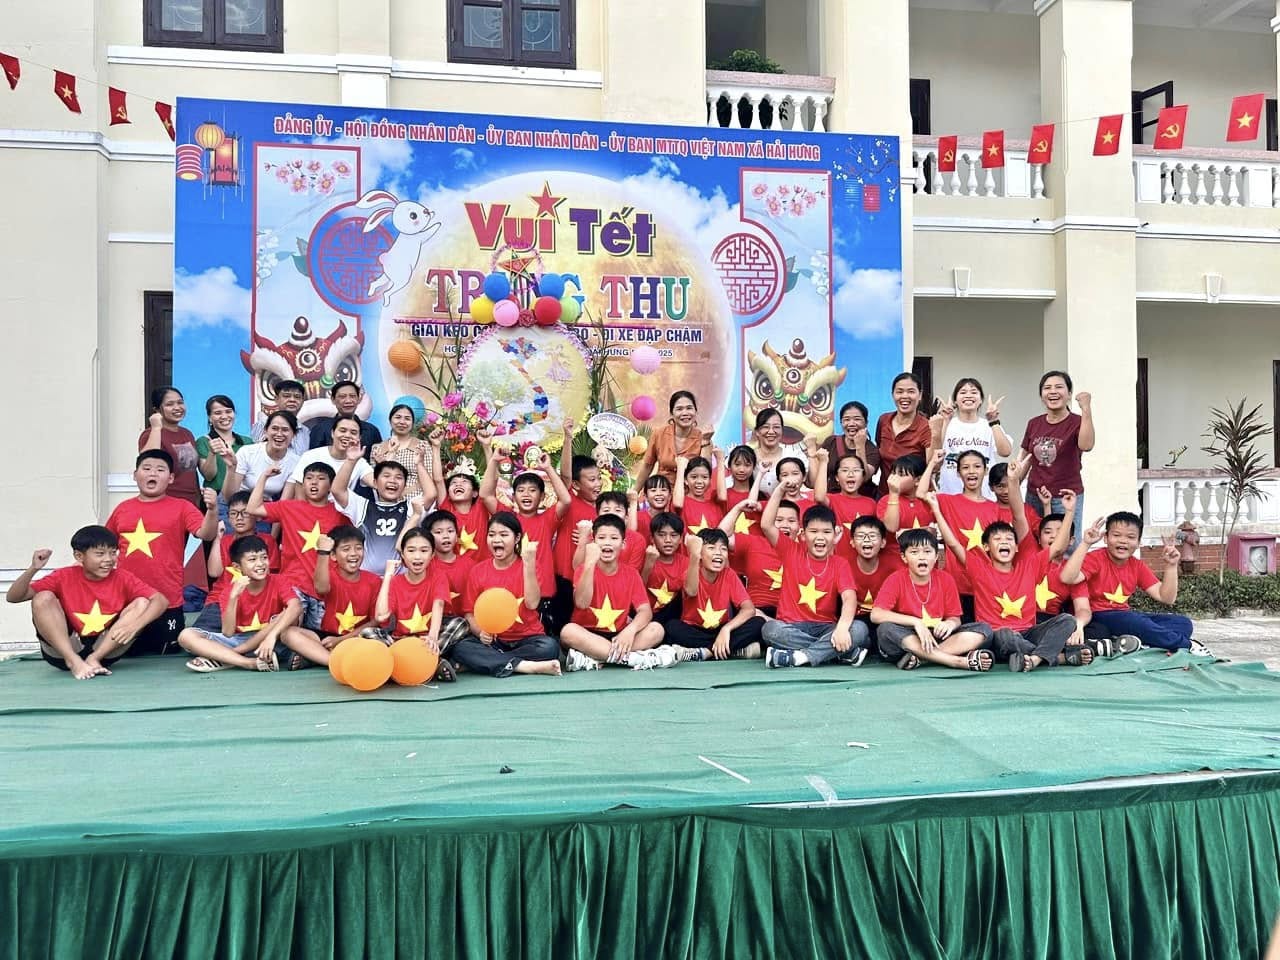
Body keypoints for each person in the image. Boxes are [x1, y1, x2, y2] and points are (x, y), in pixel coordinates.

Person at [924, 459, 1088, 673]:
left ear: (1017, 547)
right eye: (998, 539)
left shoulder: (1029, 566)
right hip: (999, 637)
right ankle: (1057, 657)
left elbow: (1057, 548)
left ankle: (1034, 659)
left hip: (1028, 633)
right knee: (1005, 635)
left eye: (1009, 539)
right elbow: (954, 544)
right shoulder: (979, 568)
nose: (1004, 542)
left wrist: (1070, 512)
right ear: (986, 547)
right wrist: (937, 511)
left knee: (1067, 620)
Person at [6, 528, 167, 679]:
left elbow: (160, 600)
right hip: (64, 651)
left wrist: (134, 626)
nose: (108, 559)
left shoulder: (122, 577)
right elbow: (14, 597)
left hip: (105, 650)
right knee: (42, 597)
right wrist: (33, 569)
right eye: (100, 554)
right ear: (79, 556)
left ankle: (93, 659)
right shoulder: (63, 576)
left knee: (142, 603)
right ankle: (73, 661)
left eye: (113, 553)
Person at [106, 450, 219, 654]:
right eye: (146, 468)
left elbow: (207, 534)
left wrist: (212, 510)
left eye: (160, 470)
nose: (153, 473)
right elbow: (104, 547)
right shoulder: (122, 509)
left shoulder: (182, 507)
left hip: (168, 602)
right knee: (122, 649)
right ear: (135, 475)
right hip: (128, 603)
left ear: (171, 478)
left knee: (165, 651)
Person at [1059, 512, 1208, 655]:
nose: (1123, 541)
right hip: (1098, 616)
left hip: (1124, 615)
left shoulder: (1136, 565)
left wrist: (1171, 565)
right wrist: (1086, 543)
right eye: (1116, 535)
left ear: (1138, 542)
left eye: (1130, 537)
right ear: (1105, 538)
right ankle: (1187, 645)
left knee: (1183, 623)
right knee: (1137, 622)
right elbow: (1068, 578)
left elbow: (1166, 597)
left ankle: (1132, 642)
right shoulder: (1095, 558)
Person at [759, 490, 866, 669]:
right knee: (770, 630)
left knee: (860, 629)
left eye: (826, 532)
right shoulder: (791, 551)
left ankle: (799, 657)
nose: (820, 537)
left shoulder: (840, 563)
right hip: (791, 626)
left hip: (826, 628)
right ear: (803, 534)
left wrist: (841, 628)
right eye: (814, 531)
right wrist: (779, 490)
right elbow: (766, 525)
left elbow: (849, 598)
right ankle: (838, 653)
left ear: (835, 535)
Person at [561, 515, 675, 671]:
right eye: (601, 538)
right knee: (568, 632)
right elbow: (581, 603)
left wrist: (630, 631)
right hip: (588, 634)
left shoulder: (631, 574)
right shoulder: (584, 568)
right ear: (593, 542)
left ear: (623, 544)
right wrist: (589, 564)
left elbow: (645, 611)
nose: (607, 542)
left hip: (620, 635)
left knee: (656, 629)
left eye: (614, 538)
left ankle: (596, 658)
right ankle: (633, 659)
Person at [454, 512, 562, 677]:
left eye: (504, 535)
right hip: (494, 641)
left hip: (528, 639)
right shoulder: (478, 571)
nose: (496, 540)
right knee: (462, 648)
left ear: (517, 538)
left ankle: (493, 662)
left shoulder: (530, 566)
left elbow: (532, 604)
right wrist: (480, 633)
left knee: (549, 647)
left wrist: (529, 565)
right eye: (492, 535)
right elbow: (469, 613)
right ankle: (525, 666)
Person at [871, 529, 994, 672]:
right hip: (908, 637)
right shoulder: (896, 579)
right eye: (914, 552)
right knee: (885, 629)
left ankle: (921, 658)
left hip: (937, 637)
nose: (922, 557)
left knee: (984, 630)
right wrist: (916, 622)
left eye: (927, 552)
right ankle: (955, 661)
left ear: (936, 556)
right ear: (904, 557)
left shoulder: (946, 579)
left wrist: (949, 624)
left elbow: (955, 618)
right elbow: (876, 614)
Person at [177, 535, 301, 673]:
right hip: (239, 639)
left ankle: (225, 657)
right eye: (252, 559)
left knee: (287, 616)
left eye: (264, 557)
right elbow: (228, 632)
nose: (260, 564)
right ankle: (248, 663)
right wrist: (233, 597)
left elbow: (296, 607)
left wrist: (271, 636)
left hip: (272, 638)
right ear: (237, 566)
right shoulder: (229, 592)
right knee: (186, 636)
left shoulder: (279, 580)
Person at [479, 440, 571, 621]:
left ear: (542, 497)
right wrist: (494, 461)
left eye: (532, 490)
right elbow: (485, 495)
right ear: (513, 497)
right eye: (521, 490)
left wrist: (548, 469)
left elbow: (566, 500)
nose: (526, 494)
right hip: (510, 593)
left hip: (543, 593)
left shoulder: (547, 520)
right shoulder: (507, 518)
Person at [248, 461, 346, 629]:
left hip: (325, 587)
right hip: (293, 583)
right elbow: (253, 508)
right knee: (290, 624)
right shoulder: (289, 507)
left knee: (318, 635)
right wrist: (264, 477)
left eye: (321, 478)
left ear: (331, 486)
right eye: (309, 478)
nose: (314, 482)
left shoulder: (341, 513)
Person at [280, 526, 382, 669]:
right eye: (346, 549)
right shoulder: (328, 575)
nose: (353, 553)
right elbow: (321, 588)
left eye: (358, 548)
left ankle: (315, 657)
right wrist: (323, 552)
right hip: (327, 638)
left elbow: (375, 621)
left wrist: (341, 640)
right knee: (287, 633)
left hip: (357, 637)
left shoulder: (374, 581)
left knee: (376, 640)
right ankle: (335, 662)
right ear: (333, 555)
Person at [662, 529, 765, 660]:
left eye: (723, 549)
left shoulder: (729, 574)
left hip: (721, 630)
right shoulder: (691, 572)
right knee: (672, 628)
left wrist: (726, 629)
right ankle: (730, 651)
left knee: (758, 622)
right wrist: (694, 555)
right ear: (700, 553)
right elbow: (691, 591)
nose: (718, 553)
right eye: (711, 548)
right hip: (694, 630)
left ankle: (706, 653)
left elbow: (749, 609)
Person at [922, 449, 999, 621]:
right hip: (954, 582)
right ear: (958, 473)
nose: (971, 471)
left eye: (977, 466)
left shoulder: (994, 508)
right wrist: (933, 463)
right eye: (965, 467)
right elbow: (921, 493)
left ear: (986, 470)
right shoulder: (948, 501)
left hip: (984, 585)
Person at [1020, 370, 1094, 544]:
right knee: (1033, 543)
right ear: (1041, 395)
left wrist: (1086, 408)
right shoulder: (1034, 423)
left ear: (1069, 394)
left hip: (1066, 497)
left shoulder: (1078, 422)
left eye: (1059, 387)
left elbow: (1086, 445)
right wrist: (1013, 486)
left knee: (1066, 545)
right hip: (1035, 495)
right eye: (1047, 388)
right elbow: (1026, 459)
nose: (1052, 391)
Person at [373, 527, 455, 681]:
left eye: (424, 551)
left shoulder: (438, 577)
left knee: (460, 624)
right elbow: (381, 616)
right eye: (411, 551)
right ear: (403, 555)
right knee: (368, 633)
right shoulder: (396, 581)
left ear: (432, 555)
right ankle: (430, 663)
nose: (417, 556)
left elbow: (439, 605)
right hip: (400, 641)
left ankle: (408, 663)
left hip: (427, 640)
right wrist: (388, 576)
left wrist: (433, 636)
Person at [198, 490, 281, 636]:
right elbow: (214, 572)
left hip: (256, 601)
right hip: (220, 599)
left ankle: (230, 648)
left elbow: (269, 576)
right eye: (233, 513)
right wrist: (218, 538)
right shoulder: (224, 541)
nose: (239, 518)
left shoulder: (267, 541)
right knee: (195, 636)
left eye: (245, 513)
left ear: (256, 516)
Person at [334, 449, 427, 574]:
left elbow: (430, 494)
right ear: (375, 483)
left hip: (399, 580)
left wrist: (419, 464)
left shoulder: (410, 507)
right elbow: (338, 491)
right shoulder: (362, 506)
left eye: (399, 477)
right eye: (386, 476)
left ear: (404, 486)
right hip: (367, 579)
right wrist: (351, 461)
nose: (392, 481)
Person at [931, 378, 1012, 499]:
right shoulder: (948, 424)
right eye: (963, 392)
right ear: (955, 400)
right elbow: (937, 453)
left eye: (974, 392)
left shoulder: (988, 425)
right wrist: (946, 420)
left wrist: (993, 421)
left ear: (981, 400)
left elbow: (1005, 452)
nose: (968, 395)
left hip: (984, 496)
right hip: (951, 495)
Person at [553, 433, 602, 627]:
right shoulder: (570, 502)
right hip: (565, 576)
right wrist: (567, 438)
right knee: (562, 625)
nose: (598, 484)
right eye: (592, 480)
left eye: (599, 478)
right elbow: (565, 475)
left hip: (588, 578)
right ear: (576, 484)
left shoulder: (604, 509)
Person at [720, 496, 795, 618]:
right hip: (756, 611)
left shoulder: (804, 550)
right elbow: (721, 537)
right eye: (778, 520)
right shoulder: (754, 543)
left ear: (799, 526)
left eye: (791, 521)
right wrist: (738, 508)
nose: (785, 525)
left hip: (791, 614)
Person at [420, 510, 477, 663]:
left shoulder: (470, 565)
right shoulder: (424, 564)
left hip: (460, 627)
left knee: (464, 640)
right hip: (430, 625)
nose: (445, 536)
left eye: (450, 531)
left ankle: (428, 660)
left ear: (457, 535)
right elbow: (401, 548)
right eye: (438, 532)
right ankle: (431, 660)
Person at [139, 386, 202, 508]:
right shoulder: (150, 434)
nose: (177, 407)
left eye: (180, 402)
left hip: (191, 502)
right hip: (165, 501)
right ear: (157, 410)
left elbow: (192, 472)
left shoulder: (187, 434)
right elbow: (148, 461)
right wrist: (156, 428)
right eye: (170, 404)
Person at [430, 428, 489, 559]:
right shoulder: (446, 508)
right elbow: (438, 480)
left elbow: (491, 479)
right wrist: (436, 446)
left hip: (481, 569)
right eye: (453, 482)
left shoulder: (481, 507)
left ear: (475, 493)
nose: (458, 484)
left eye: (464, 482)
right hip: (454, 569)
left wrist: (486, 446)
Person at [846, 516, 902, 650]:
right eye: (860, 536)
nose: (866, 540)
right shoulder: (844, 565)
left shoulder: (895, 565)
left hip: (885, 619)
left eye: (872, 536)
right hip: (855, 620)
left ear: (883, 542)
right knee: (856, 633)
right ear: (852, 542)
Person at [635, 391, 713, 488]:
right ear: (671, 414)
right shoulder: (659, 434)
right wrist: (635, 491)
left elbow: (705, 473)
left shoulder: (704, 437)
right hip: (661, 491)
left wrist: (705, 442)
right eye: (679, 409)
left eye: (689, 408)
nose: (685, 413)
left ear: (696, 412)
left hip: (688, 493)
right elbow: (647, 466)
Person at [287, 413, 373, 499]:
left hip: (341, 507)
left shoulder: (359, 462)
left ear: (359, 437)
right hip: (310, 506)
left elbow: (374, 482)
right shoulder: (310, 456)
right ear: (332, 433)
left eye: (353, 433)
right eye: (342, 431)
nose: (347, 435)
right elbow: (300, 493)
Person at [874, 372, 933, 496]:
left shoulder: (926, 426)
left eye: (911, 391)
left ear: (920, 395)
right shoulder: (884, 420)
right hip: (885, 494)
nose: (905, 396)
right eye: (899, 392)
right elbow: (879, 448)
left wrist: (938, 433)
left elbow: (932, 465)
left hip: (914, 497)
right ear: (893, 395)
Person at [814, 450, 877, 565]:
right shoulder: (833, 499)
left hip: (863, 563)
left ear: (863, 476)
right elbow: (819, 496)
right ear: (837, 478)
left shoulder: (871, 503)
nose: (850, 474)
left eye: (856, 470)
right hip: (838, 562)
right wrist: (823, 462)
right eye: (844, 470)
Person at [223, 411, 301, 502]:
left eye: (285, 430)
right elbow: (229, 497)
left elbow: (283, 502)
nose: (279, 434)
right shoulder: (247, 452)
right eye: (274, 428)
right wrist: (231, 468)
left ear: (294, 434)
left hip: (268, 506)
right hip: (240, 503)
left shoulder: (296, 461)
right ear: (265, 431)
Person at [194, 394, 250, 512]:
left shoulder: (247, 442)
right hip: (214, 499)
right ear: (210, 418)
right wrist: (212, 453)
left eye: (228, 411)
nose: (224, 416)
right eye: (218, 413)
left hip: (244, 499)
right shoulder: (203, 441)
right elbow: (209, 475)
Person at [371, 403, 433, 500]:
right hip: (388, 502)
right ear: (390, 420)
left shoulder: (423, 446)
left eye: (407, 419)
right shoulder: (377, 448)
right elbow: (373, 481)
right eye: (398, 417)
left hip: (416, 501)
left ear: (412, 423)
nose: (402, 422)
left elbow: (430, 478)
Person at [821, 401, 881, 498]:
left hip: (861, 501)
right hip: (833, 499)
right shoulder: (831, 442)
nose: (851, 424)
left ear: (866, 423)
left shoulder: (872, 450)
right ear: (841, 422)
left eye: (857, 419)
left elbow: (864, 477)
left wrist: (860, 446)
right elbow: (816, 478)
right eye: (846, 419)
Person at [308, 380, 383, 453]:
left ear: (358, 399)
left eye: (352, 396)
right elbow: (314, 458)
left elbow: (376, 458)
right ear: (333, 400)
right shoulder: (320, 429)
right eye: (342, 397)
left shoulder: (372, 430)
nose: (348, 401)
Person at [641, 511, 689, 624]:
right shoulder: (644, 557)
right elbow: (636, 594)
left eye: (673, 535)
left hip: (675, 619)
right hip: (647, 618)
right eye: (661, 535)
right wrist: (648, 565)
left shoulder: (686, 563)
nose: (668, 540)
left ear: (681, 539)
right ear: (652, 538)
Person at [876, 455, 934, 542]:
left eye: (901, 474)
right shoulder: (885, 501)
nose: (894, 478)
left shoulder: (930, 500)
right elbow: (891, 527)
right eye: (893, 473)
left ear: (918, 480)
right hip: (895, 550)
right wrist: (894, 493)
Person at [751, 408, 807, 497]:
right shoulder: (749, 458)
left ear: (782, 430)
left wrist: (812, 454)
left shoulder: (794, 455)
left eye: (776, 427)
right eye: (766, 427)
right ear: (757, 432)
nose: (771, 432)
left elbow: (811, 483)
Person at [250, 378, 311, 453]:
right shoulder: (263, 425)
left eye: (297, 397)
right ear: (276, 399)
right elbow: (255, 454)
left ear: (302, 401)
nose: (292, 400)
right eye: (286, 396)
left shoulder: (305, 431)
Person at [672, 454, 726, 536]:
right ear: (685, 480)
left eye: (704, 477)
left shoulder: (714, 503)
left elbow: (722, 497)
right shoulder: (681, 501)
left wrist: (720, 461)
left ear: (710, 480)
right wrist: (681, 468)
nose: (699, 481)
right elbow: (677, 504)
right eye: (694, 477)